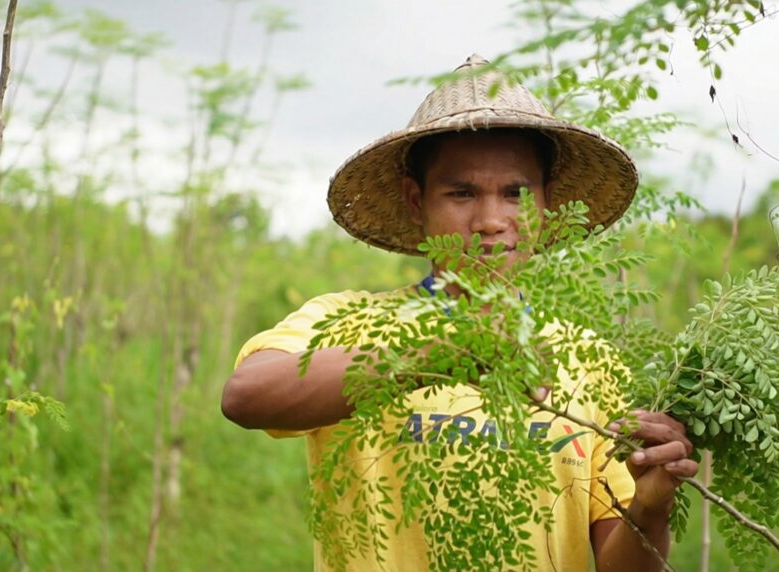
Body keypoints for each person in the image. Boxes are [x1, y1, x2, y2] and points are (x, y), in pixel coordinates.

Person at [222, 54, 698, 571]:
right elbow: (247, 396)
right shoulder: (346, 321)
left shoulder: (589, 360)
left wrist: (650, 509)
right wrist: (449, 348)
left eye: (516, 193)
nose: (492, 220)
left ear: (547, 204)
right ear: (415, 201)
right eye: (461, 193)